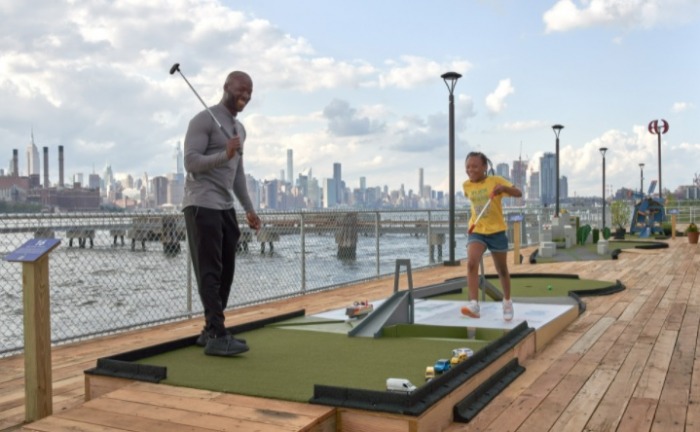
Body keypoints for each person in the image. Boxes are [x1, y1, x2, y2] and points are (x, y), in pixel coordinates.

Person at [182, 70, 262, 357]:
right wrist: (223, 155)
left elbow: (237, 172)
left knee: (226, 270)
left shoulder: (240, 130)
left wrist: (249, 208)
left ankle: (210, 329)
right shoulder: (203, 120)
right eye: (241, 89)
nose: (246, 95)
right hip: (201, 203)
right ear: (227, 86)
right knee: (209, 270)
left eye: (250, 92)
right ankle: (217, 333)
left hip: (226, 205)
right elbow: (190, 162)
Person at [460, 152, 522, 321]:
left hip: (496, 231)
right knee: (471, 263)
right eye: (468, 167)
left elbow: (518, 193)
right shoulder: (466, 186)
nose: (470, 170)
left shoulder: (495, 181)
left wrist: (504, 189)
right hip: (477, 229)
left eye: (475, 166)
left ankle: (507, 301)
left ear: (484, 167)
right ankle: (474, 304)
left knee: (501, 269)